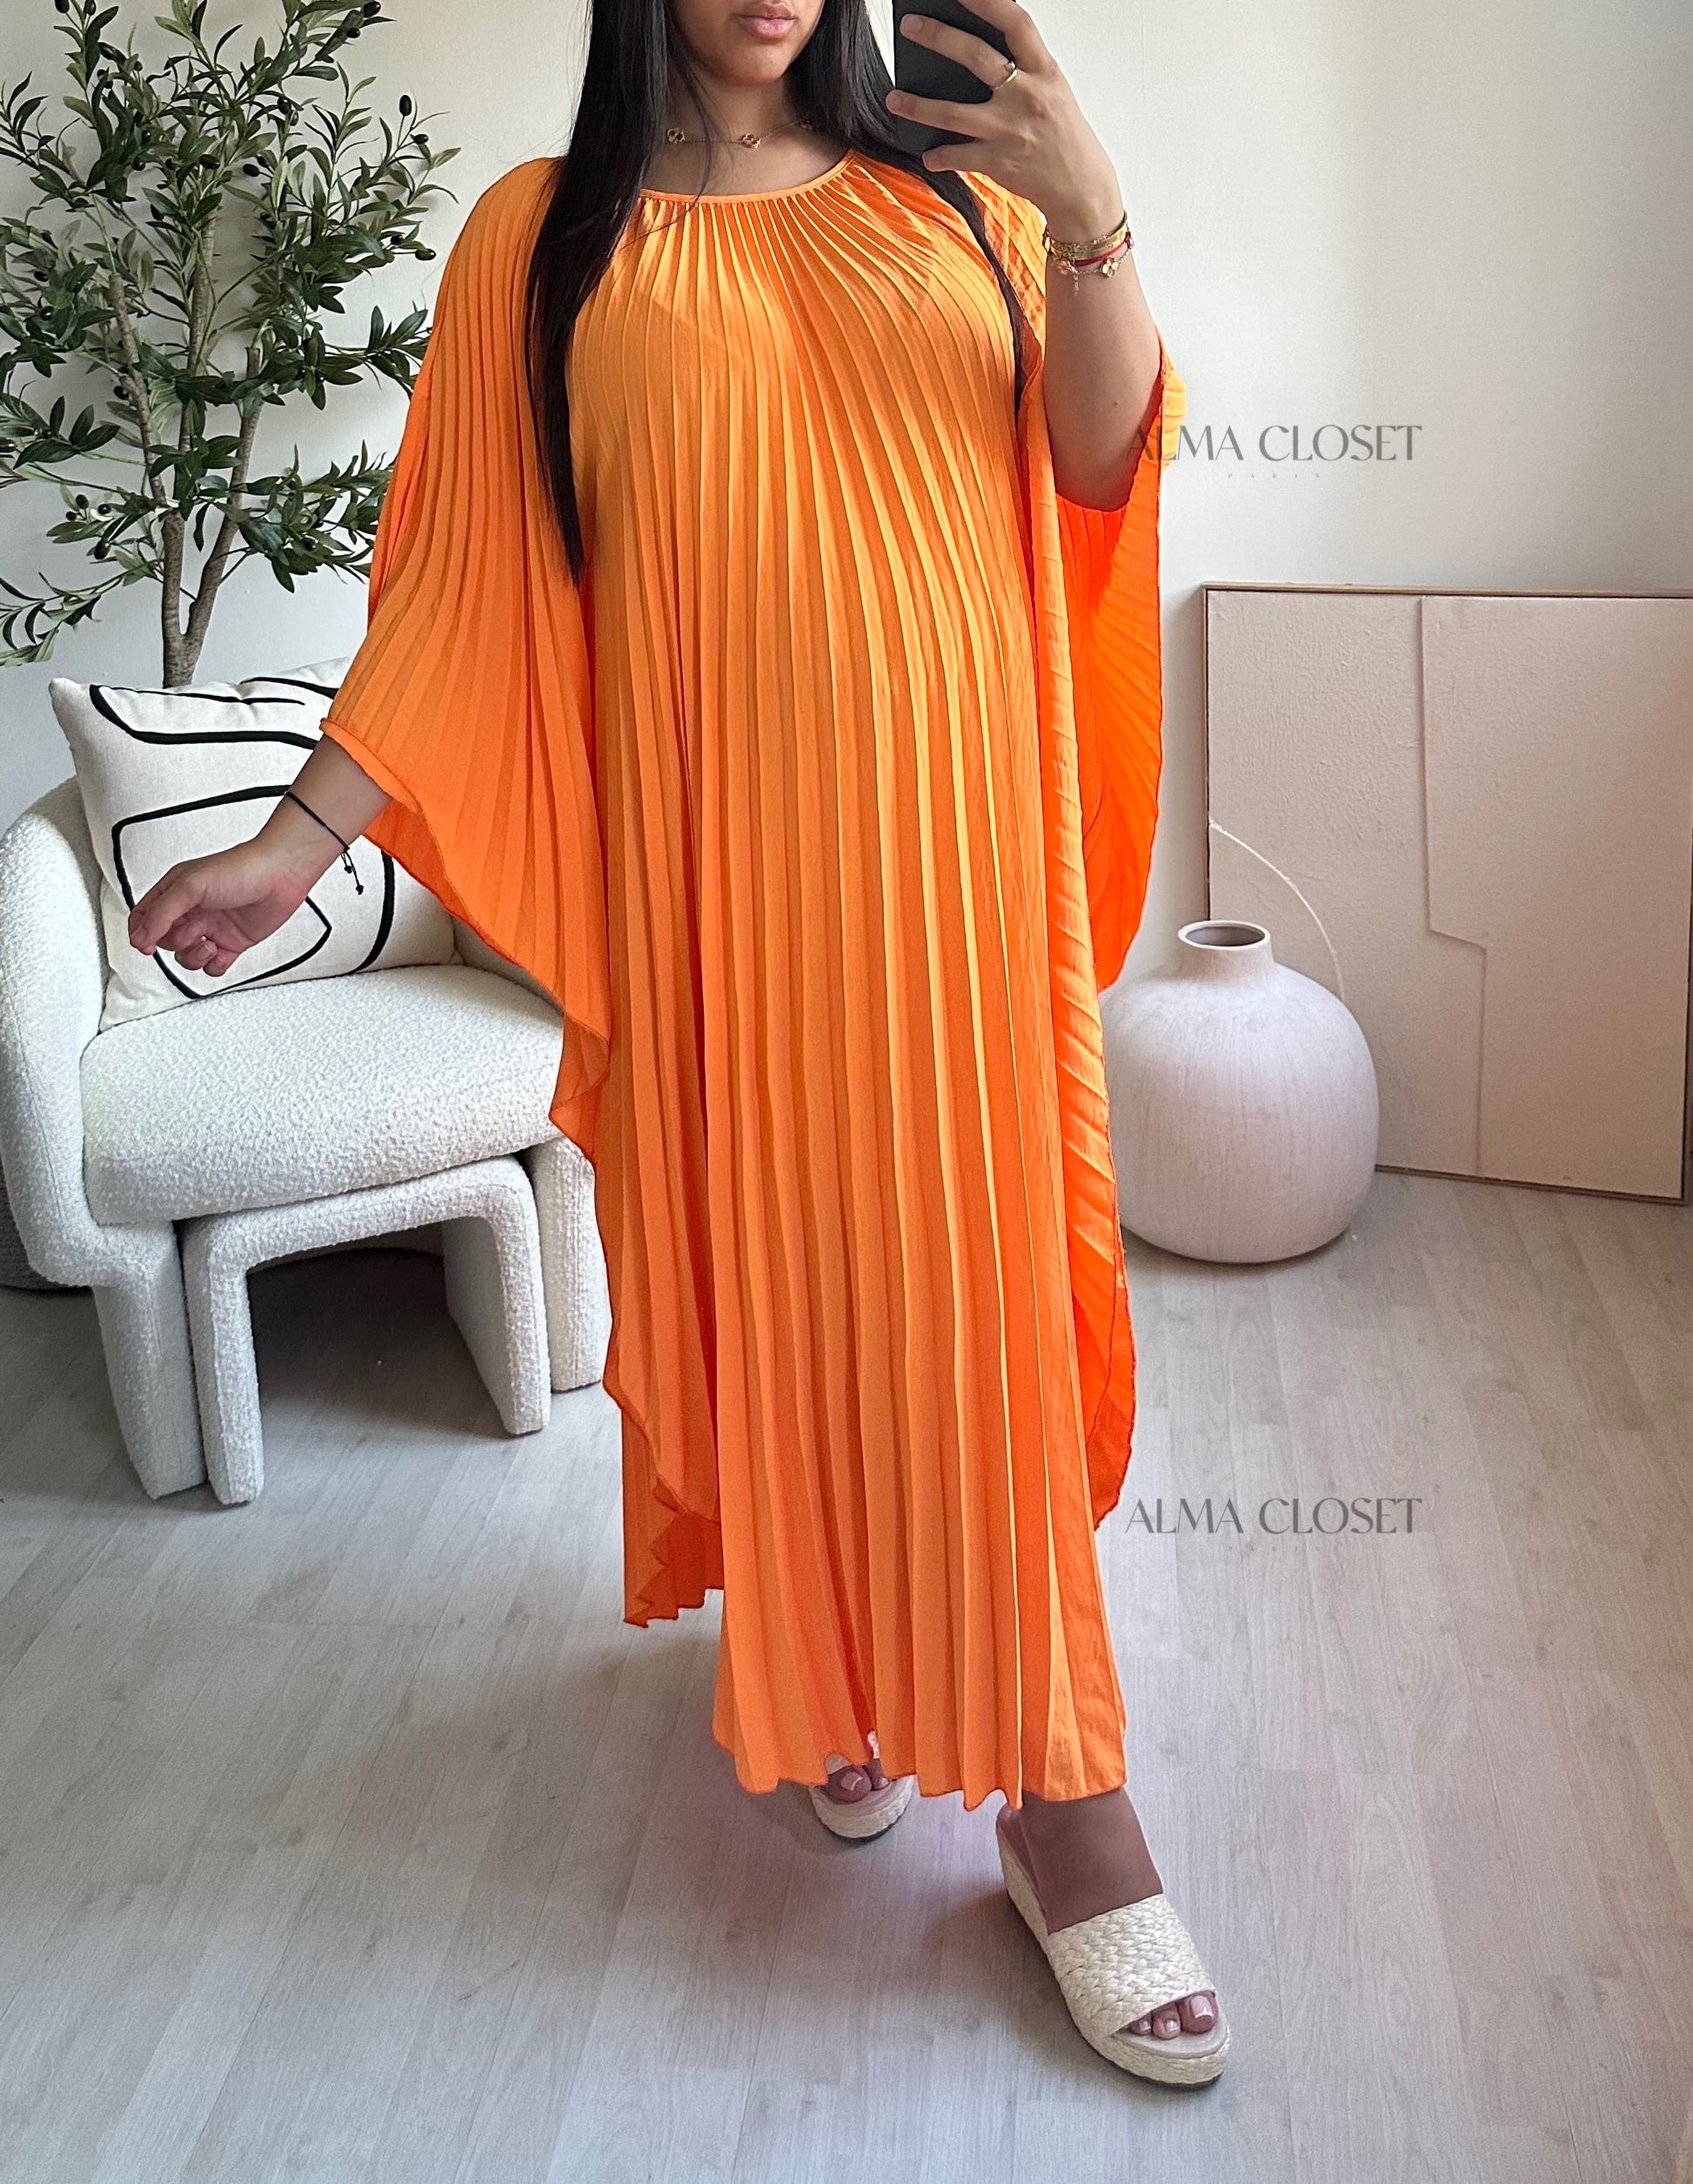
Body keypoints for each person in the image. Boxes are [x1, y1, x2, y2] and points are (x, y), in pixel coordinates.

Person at [128, 0, 1226, 2085]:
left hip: (959, 876)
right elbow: (453, 595)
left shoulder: (962, 193)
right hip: (720, 893)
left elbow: (1097, 470)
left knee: (974, 1300)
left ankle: (1067, 1800)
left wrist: (1089, 214)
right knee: (784, 1285)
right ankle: (840, 1664)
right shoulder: (543, 237)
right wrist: (293, 844)